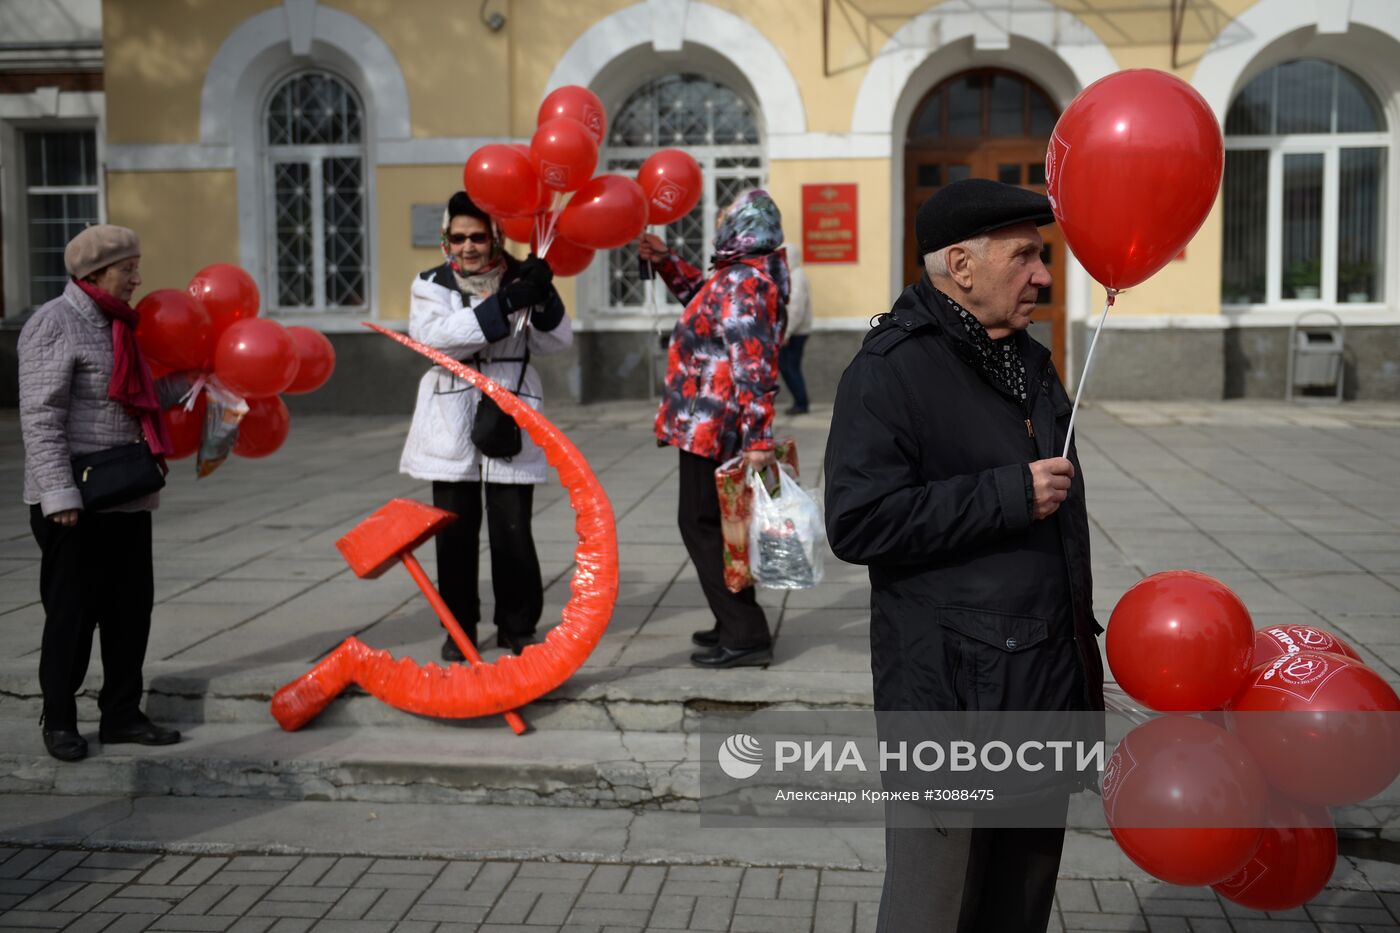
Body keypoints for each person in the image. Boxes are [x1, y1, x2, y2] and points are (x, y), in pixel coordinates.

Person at [823, 179, 1105, 933]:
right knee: (934, 905)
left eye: (1041, 258)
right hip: (950, 704)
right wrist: (1007, 494)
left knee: (1019, 904)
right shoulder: (889, 370)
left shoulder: (1030, 364)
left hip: (1040, 688)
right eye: (1025, 257)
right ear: (961, 265)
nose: (1043, 276)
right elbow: (857, 521)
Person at [19, 225, 189, 762]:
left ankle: (121, 714)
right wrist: (59, 494)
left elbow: (134, 400)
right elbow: (41, 418)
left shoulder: (120, 323)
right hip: (74, 501)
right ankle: (60, 717)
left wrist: (194, 379)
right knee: (71, 613)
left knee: (129, 610)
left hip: (127, 492)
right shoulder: (54, 323)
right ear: (95, 273)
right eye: (129, 268)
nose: (138, 278)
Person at [400, 191, 572, 660]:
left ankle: (518, 627)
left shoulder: (521, 276)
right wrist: (507, 302)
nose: (468, 247)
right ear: (446, 240)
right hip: (450, 420)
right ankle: (459, 631)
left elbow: (558, 341)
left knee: (512, 530)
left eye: (478, 236)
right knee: (454, 534)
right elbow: (437, 340)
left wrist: (544, 294)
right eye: (458, 238)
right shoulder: (430, 283)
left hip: (511, 413)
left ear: (495, 236)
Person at [637, 189, 789, 669]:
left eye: (726, 215)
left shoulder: (746, 280)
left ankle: (745, 631)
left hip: (716, 423)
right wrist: (667, 263)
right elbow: (702, 299)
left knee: (704, 526)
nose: (718, 220)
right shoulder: (739, 273)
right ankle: (734, 622)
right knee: (720, 529)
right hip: (708, 419)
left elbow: (755, 364)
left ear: (744, 224)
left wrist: (760, 439)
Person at [778, 244, 811, 415]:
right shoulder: (794, 275)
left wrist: (786, 332)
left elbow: (795, 309)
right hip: (797, 330)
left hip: (796, 332)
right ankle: (800, 401)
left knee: (789, 367)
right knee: (790, 366)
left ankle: (801, 402)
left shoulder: (796, 277)